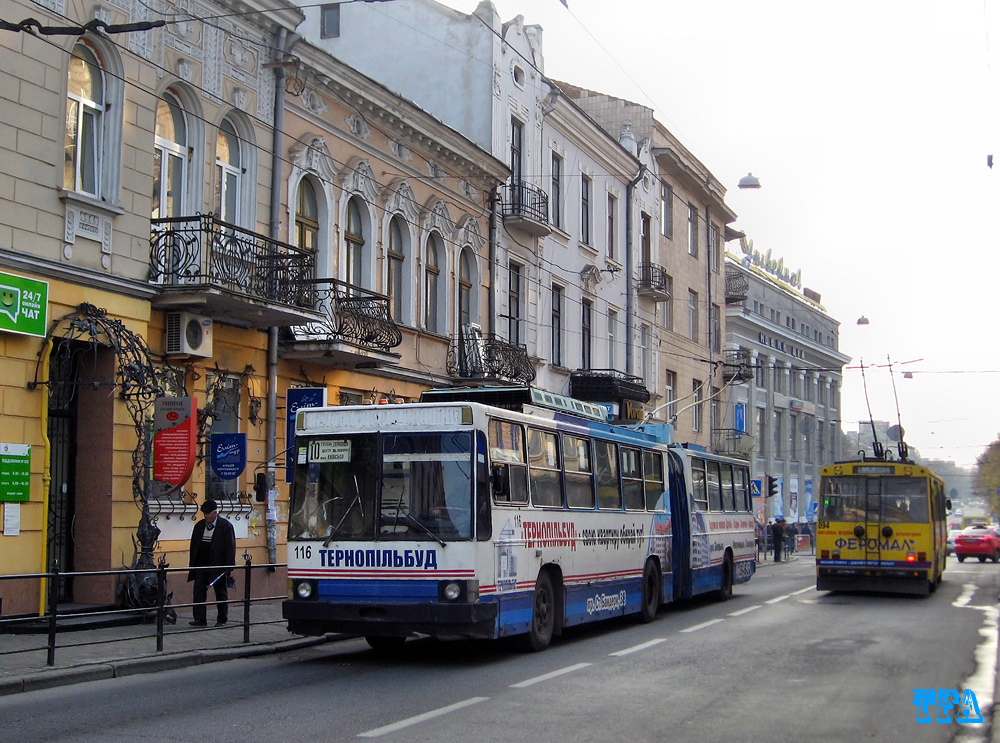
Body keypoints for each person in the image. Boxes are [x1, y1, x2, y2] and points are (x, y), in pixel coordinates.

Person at [188, 499, 237, 627]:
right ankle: (200, 619)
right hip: (201, 564)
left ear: (215, 513)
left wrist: (228, 567)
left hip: (218, 565)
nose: (205, 517)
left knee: (220, 593)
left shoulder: (225, 526)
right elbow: (194, 546)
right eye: (204, 514)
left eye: (208, 514)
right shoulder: (199, 526)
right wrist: (193, 564)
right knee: (198, 591)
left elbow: (230, 548)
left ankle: (222, 619)